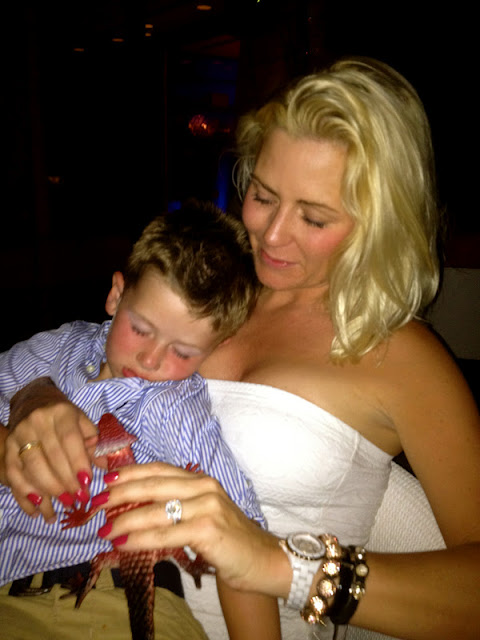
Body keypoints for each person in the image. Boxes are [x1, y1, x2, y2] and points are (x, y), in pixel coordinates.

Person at [3, 57, 480, 640]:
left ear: (377, 223)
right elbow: (82, 355)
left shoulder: (403, 357)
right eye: (263, 195)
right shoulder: (208, 295)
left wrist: (278, 564)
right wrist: (30, 402)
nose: (272, 235)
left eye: (313, 218)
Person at [0, 199, 281, 640]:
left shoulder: (171, 403)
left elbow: (238, 533)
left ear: (213, 349)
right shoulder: (59, 347)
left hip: (113, 599)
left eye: (182, 352)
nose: (151, 359)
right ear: (116, 294)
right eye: (141, 329)